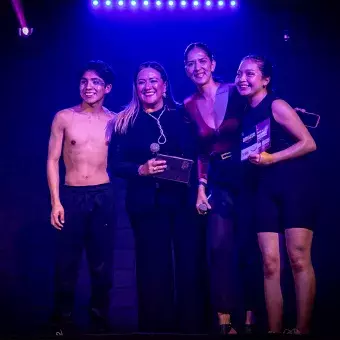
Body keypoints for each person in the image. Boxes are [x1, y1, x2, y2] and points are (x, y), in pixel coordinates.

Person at [110, 61, 206, 334]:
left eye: (153, 80)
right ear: (135, 88)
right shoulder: (124, 121)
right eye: (141, 81)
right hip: (146, 205)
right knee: (153, 268)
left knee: (189, 264)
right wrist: (140, 169)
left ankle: (193, 327)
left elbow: (198, 153)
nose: (147, 86)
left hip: (183, 201)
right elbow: (115, 164)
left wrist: (199, 185)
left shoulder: (183, 115)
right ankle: (156, 328)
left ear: (164, 85)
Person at [235, 55, 318, 334]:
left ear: (265, 80)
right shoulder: (245, 114)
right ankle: (274, 330)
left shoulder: (277, 105)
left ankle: (302, 329)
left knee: (297, 258)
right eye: (239, 74)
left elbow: (309, 143)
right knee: (269, 263)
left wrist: (273, 158)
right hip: (263, 189)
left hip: (295, 185)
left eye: (249, 74)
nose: (242, 79)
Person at [183, 42, 258, 335]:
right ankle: (225, 319)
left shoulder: (234, 90)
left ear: (213, 63)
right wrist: (201, 187)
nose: (197, 67)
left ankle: (252, 317)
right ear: (186, 70)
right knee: (219, 248)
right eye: (191, 63)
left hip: (248, 174)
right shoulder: (188, 105)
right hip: (217, 180)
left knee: (250, 247)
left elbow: (257, 118)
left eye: (202, 61)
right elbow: (201, 152)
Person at [47, 60, 115, 335]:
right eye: (84, 81)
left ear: (107, 88)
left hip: (103, 196)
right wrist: (55, 202)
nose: (89, 87)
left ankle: (99, 320)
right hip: (72, 195)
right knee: (66, 263)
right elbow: (52, 160)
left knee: (101, 265)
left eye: (96, 82)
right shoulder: (64, 117)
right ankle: (62, 321)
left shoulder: (114, 119)